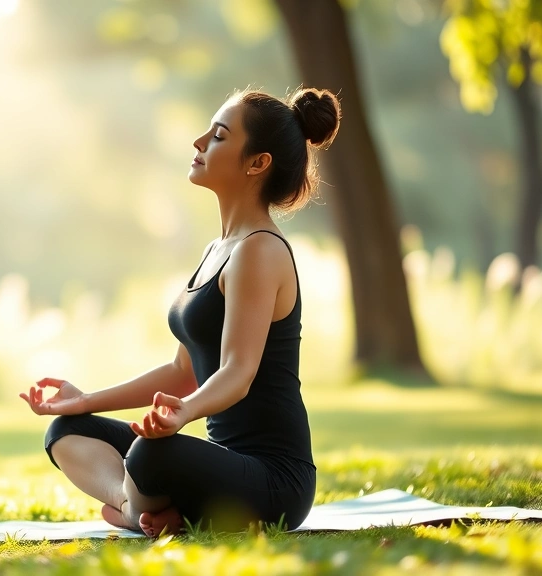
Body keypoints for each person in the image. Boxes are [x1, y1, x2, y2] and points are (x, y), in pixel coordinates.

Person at [19, 86, 341, 537]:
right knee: (67, 429)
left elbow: (238, 370)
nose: (199, 142)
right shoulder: (219, 249)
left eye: (219, 135)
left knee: (152, 455)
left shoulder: (260, 250)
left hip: (273, 480)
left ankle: (140, 508)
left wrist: (181, 415)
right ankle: (137, 505)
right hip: (217, 463)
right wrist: (85, 400)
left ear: (257, 162)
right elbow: (182, 370)